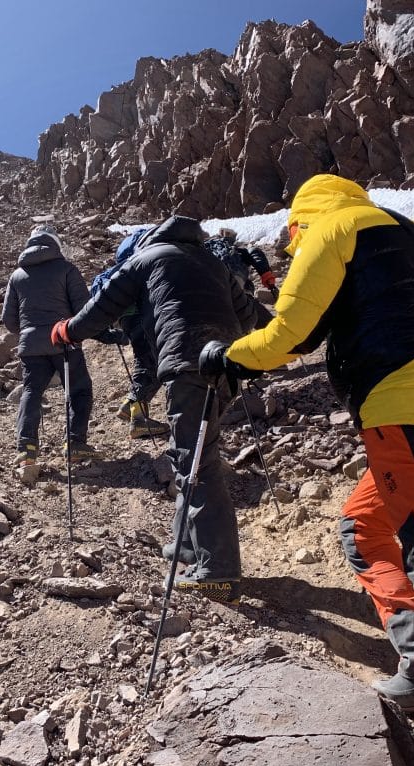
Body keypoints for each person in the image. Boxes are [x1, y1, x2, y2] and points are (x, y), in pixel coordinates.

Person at [200, 174, 414, 766]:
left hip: (401, 403)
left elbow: (290, 337)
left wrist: (226, 354)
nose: (288, 252)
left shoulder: (330, 229)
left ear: (299, 220)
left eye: (290, 242)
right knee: (363, 528)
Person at [50, 215, 256, 603]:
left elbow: (103, 307)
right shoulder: (213, 262)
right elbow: (249, 315)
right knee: (191, 454)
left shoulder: (147, 258)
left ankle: (219, 571)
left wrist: (68, 331)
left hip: (186, 367)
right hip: (227, 366)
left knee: (199, 463)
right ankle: (187, 545)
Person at [1, 224, 98, 467]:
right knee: (79, 390)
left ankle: (26, 449)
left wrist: (29, 333)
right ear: (55, 243)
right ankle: (75, 443)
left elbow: (8, 319)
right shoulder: (66, 269)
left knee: (31, 391)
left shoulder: (17, 276)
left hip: (31, 346)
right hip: (64, 341)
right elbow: (85, 310)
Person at [89, 228, 169, 439]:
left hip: (127, 318)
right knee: (151, 363)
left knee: (148, 360)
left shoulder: (123, 265)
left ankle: (131, 405)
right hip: (143, 315)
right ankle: (139, 419)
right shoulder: (143, 260)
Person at [204, 227, 278, 328]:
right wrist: (268, 278)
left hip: (209, 292)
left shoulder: (203, 249)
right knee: (267, 326)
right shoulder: (233, 249)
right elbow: (255, 253)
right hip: (237, 289)